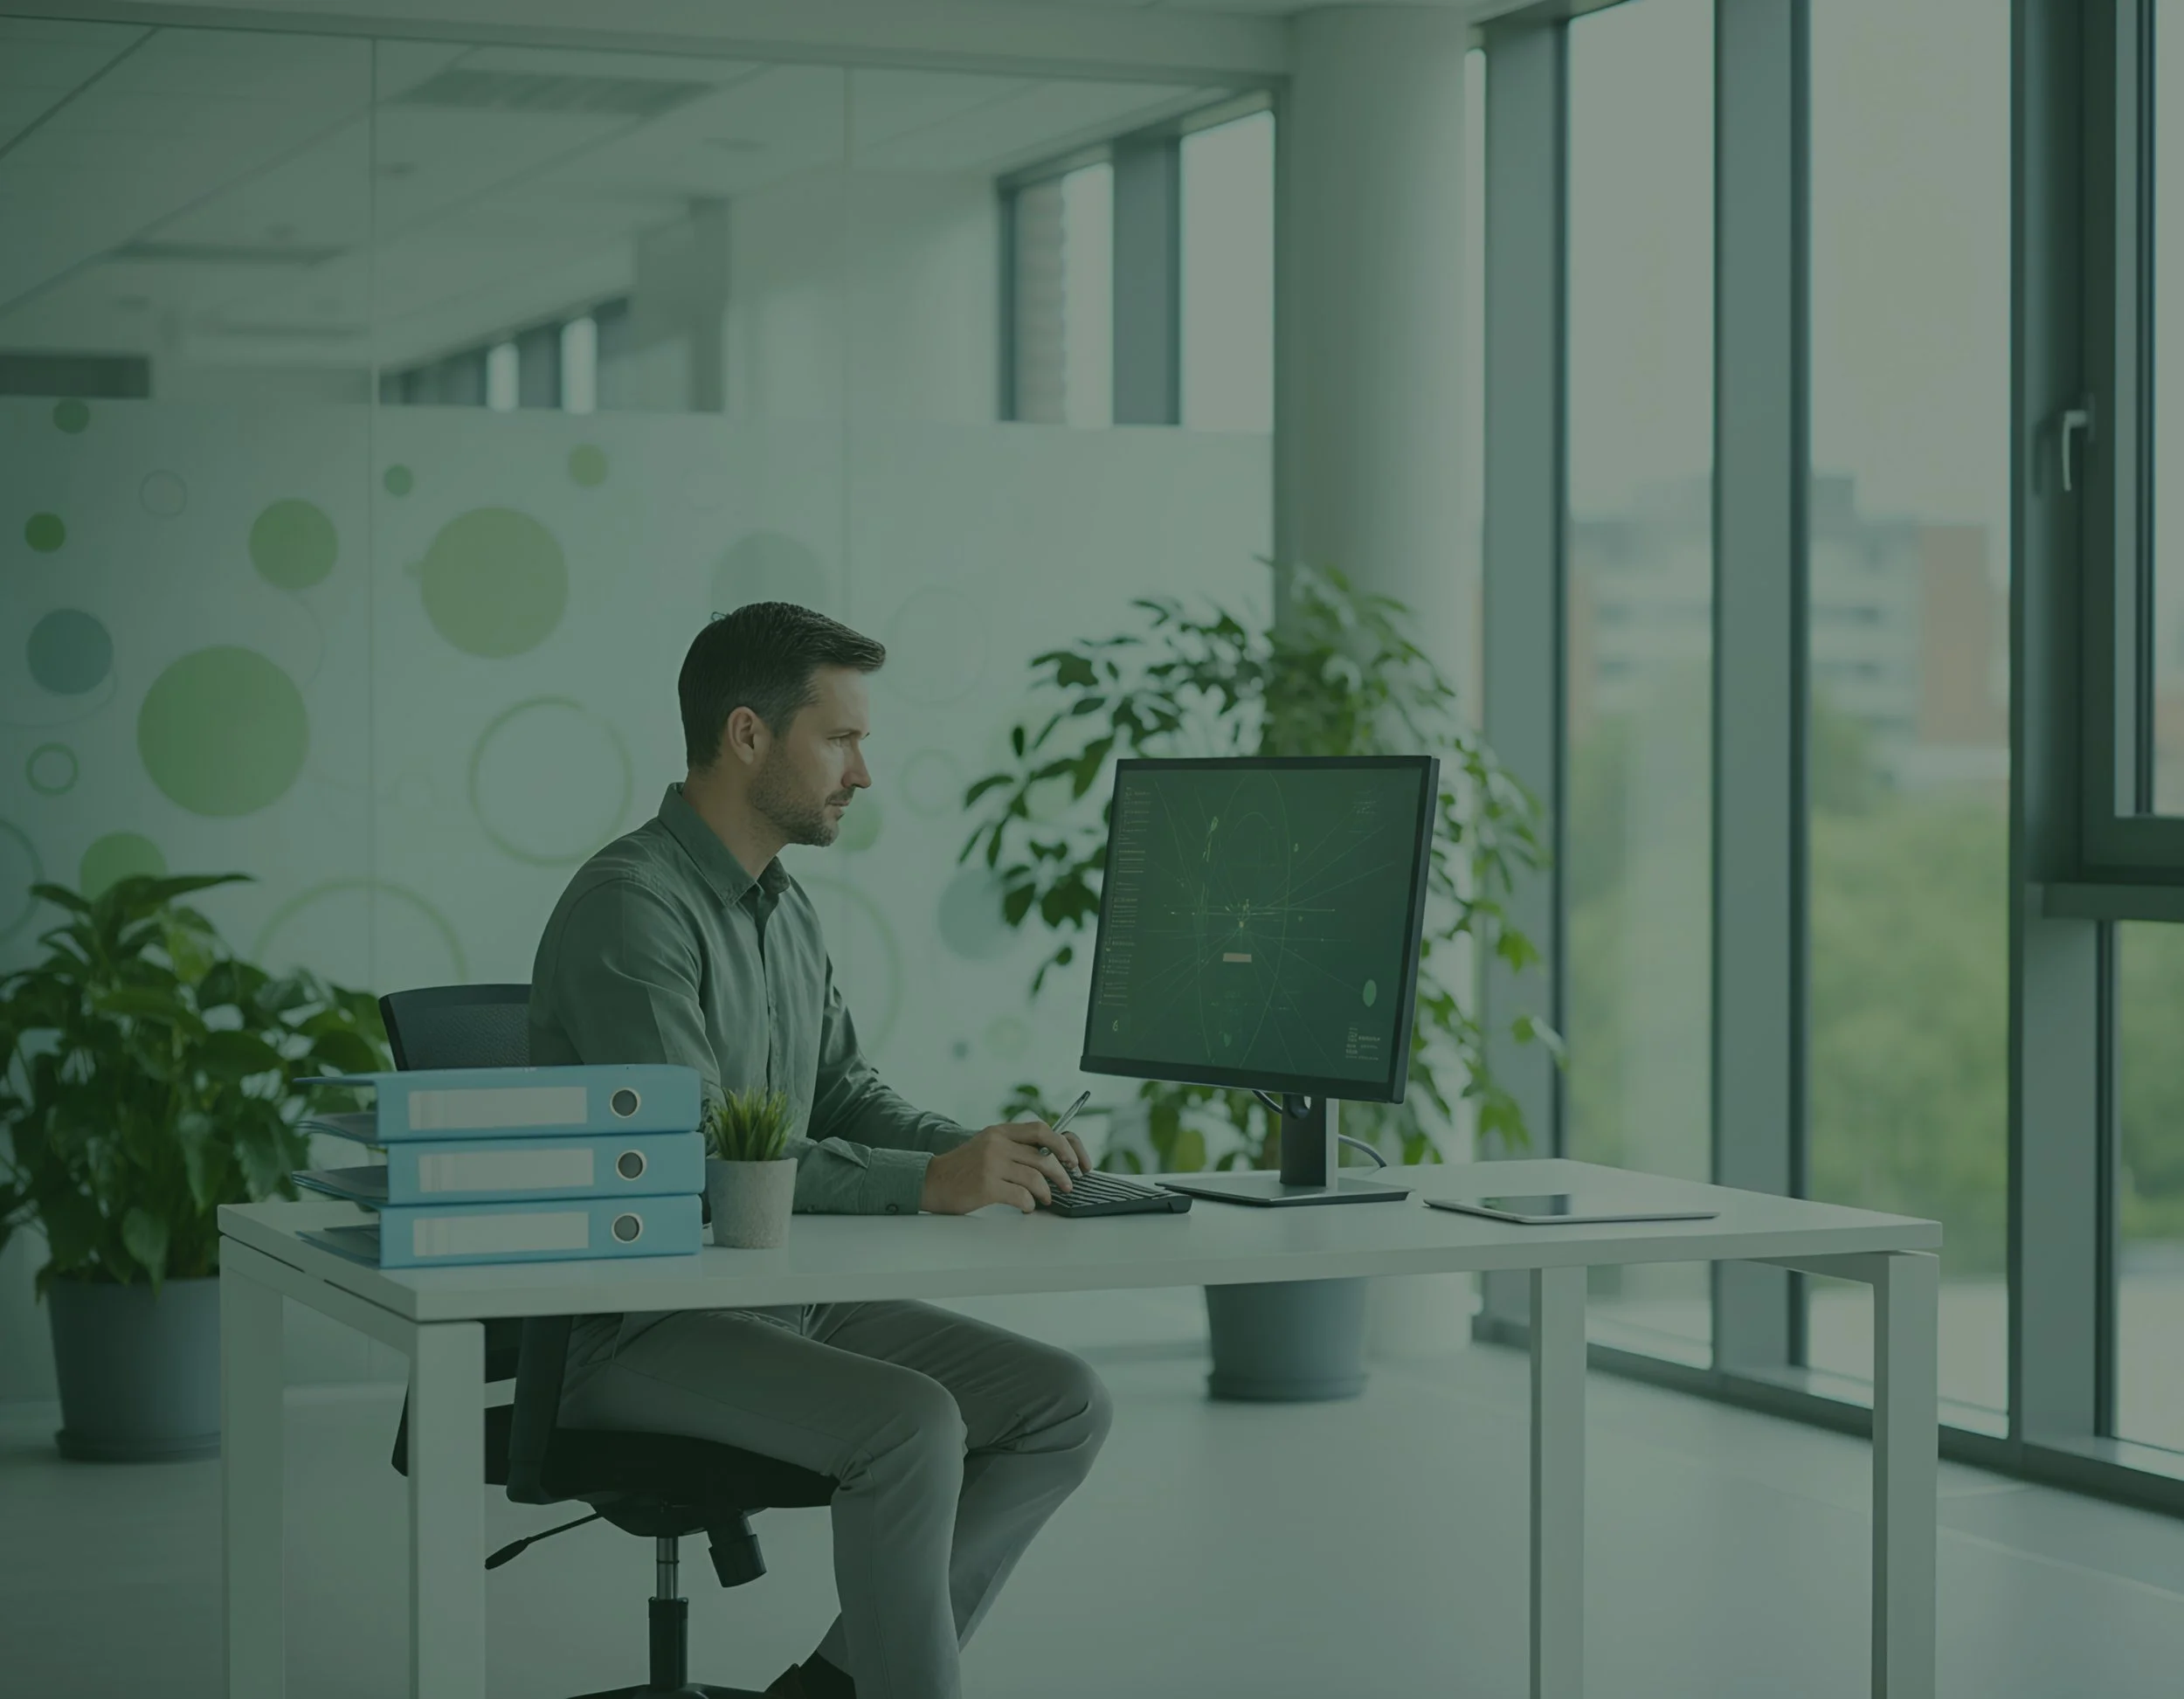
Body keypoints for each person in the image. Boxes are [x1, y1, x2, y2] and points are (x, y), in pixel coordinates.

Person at [529, 603, 1112, 1699]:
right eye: (840, 740)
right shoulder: (632, 907)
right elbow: (704, 1155)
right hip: (633, 1323)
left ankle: (840, 1687)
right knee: (909, 1423)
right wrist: (931, 1186)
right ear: (748, 735)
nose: (863, 773)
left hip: (776, 1296)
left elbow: (843, 1090)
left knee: (1064, 1401)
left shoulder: (784, 911)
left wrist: (979, 1151)